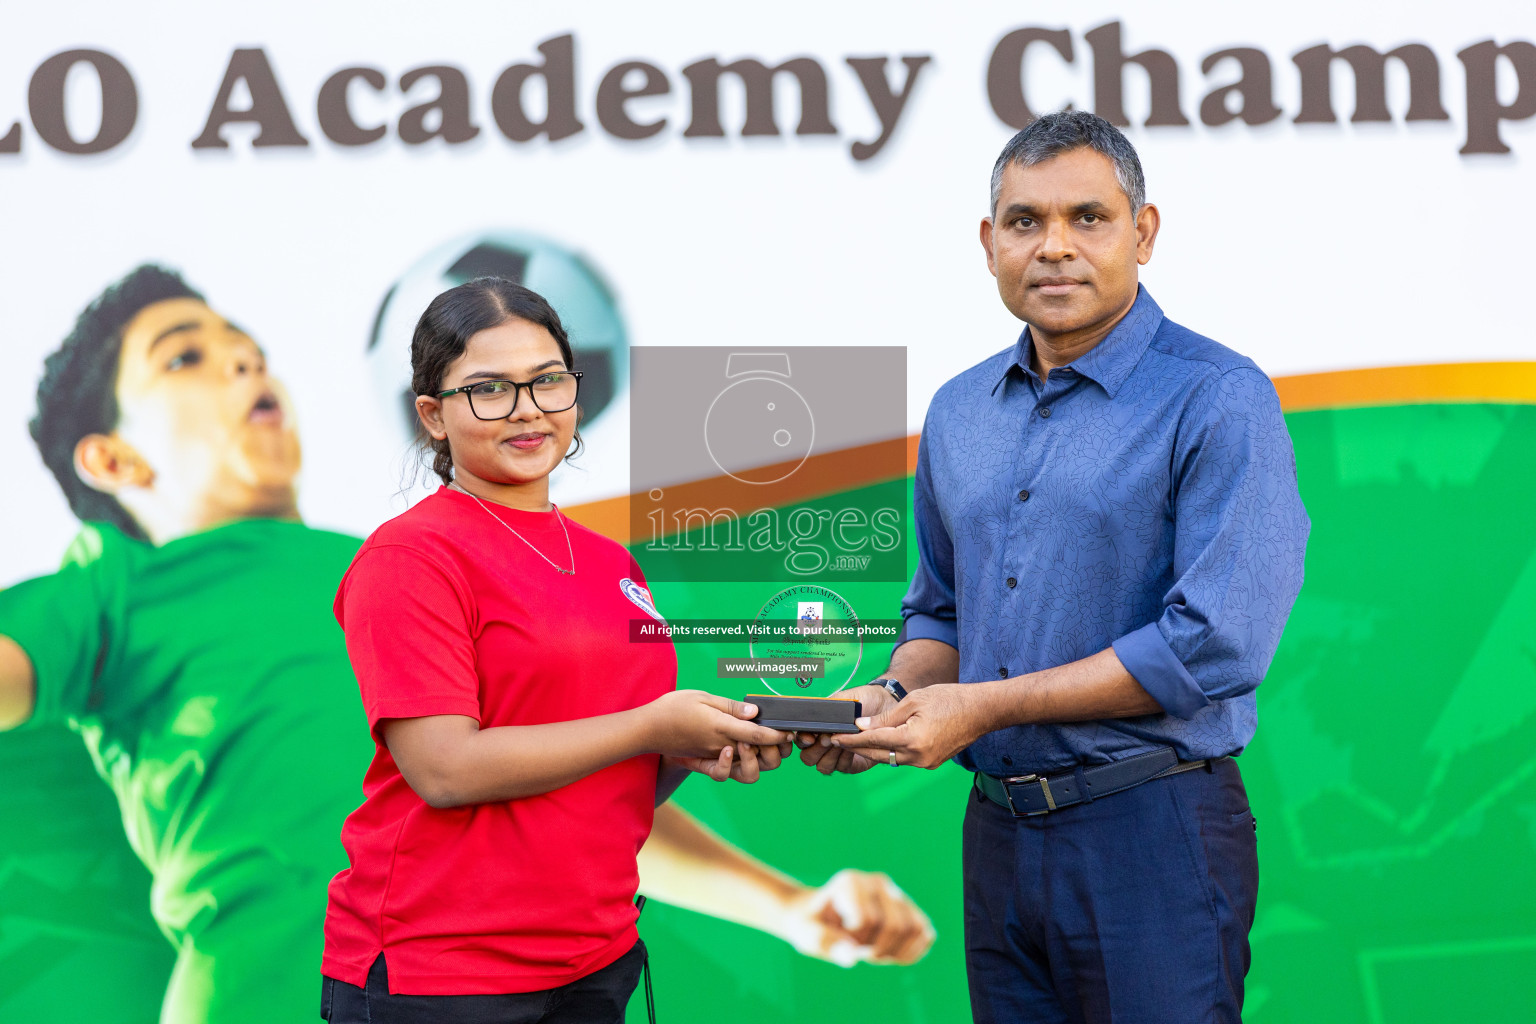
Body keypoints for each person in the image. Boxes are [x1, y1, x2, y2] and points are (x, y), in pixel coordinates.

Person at [0, 266, 932, 1024]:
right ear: (113, 461)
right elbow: (451, 768)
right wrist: (651, 726)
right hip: (293, 993)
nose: (247, 368)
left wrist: (787, 905)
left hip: (528, 989)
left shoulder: (408, 558)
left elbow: (569, 804)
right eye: (188, 358)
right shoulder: (109, 593)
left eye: (251, 352)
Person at [801, 110, 1310, 1023]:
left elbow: (1213, 648)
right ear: (989, 243)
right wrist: (883, 699)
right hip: (998, 835)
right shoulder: (960, 410)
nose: (1055, 248)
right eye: (1026, 222)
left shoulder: (1219, 397)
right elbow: (942, 614)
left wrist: (980, 708)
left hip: (1150, 829)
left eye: (1089, 218)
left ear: (1143, 233)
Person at [320, 277, 797, 1019]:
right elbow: (445, 769)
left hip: (593, 958)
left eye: (547, 382)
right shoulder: (410, 558)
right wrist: (652, 728)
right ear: (432, 417)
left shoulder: (612, 564)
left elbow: (601, 774)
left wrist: (682, 757)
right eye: (489, 390)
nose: (527, 410)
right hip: (444, 972)